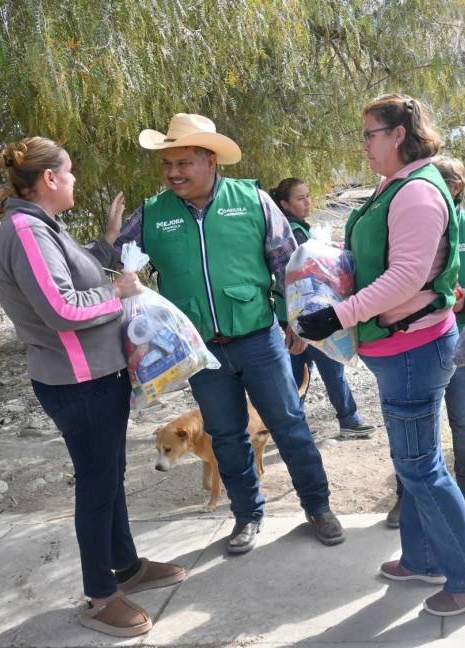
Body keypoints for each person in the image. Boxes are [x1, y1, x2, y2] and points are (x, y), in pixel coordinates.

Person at [296, 94, 465, 617]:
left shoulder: (416, 193)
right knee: (413, 463)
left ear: (399, 135)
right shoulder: (399, 185)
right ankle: (423, 556)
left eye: (370, 134)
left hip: (413, 350)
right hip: (403, 348)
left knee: (421, 467)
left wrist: (340, 315)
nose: (363, 144)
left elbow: (407, 276)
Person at [115, 113, 343, 554]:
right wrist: (111, 254)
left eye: (184, 163)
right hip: (202, 355)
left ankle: (318, 508)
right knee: (226, 437)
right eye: (167, 165)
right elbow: (113, 263)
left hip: (259, 339)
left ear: (211, 161)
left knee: (289, 425)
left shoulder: (253, 201)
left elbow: (290, 267)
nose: (173, 173)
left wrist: (297, 322)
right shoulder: (152, 214)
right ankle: (246, 516)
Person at [0, 137, 185, 638]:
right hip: (79, 383)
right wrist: (116, 294)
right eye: (69, 172)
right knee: (97, 488)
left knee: (109, 475)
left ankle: (127, 567)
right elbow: (61, 308)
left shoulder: (44, 228)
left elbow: (76, 275)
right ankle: (100, 597)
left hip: (96, 379)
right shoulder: (26, 231)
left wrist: (107, 241)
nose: (75, 180)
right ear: (49, 179)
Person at [383, 155, 465, 527]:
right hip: (413, 339)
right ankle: (408, 496)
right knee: (414, 424)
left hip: (462, 340)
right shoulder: (403, 223)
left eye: (438, 182)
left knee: (463, 420)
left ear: (457, 189)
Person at [268, 177, 377, 439]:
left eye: (308, 196)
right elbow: (297, 278)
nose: (307, 202)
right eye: (300, 198)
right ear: (285, 204)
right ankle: (348, 420)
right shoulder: (293, 233)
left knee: (296, 374)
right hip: (306, 315)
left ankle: (291, 426)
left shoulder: (294, 229)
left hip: (291, 316)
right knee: (332, 367)